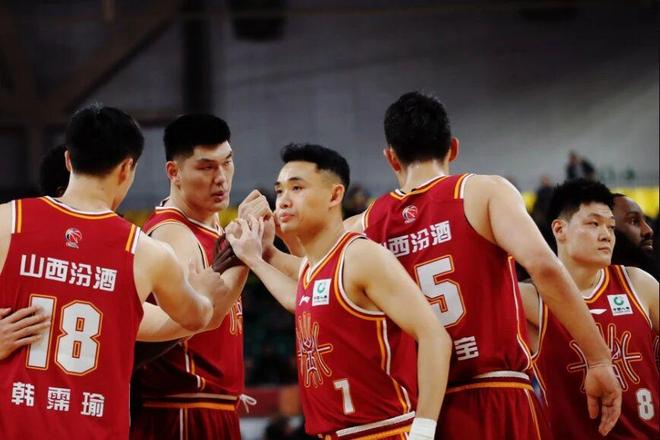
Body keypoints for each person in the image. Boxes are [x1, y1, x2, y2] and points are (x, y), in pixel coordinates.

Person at [336, 92, 621, 438]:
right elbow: (544, 267)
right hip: (497, 393)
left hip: (421, 411)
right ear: (453, 148)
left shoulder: (362, 226)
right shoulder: (482, 192)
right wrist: (599, 359)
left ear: (391, 158)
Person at [0, 104, 229, 439]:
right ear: (126, 168)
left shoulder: (8, 222)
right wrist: (210, 289)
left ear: (68, 160)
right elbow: (196, 319)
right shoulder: (147, 253)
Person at [227, 143, 452, 440]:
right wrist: (261, 254)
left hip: (381, 432)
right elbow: (298, 299)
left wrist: (424, 430)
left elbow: (435, 336)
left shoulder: (361, 256)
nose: (283, 200)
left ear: (334, 195)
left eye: (297, 188)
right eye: (279, 191)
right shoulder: (316, 266)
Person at [130, 113, 254, 439]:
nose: (221, 178)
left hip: (212, 407)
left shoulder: (214, 229)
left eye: (227, 163)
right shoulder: (174, 233)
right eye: (206, 167)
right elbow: (204, 317)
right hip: (183, 408)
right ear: (174, 172)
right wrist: (247, 255)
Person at [520, 179, 659, 438]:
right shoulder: (531, 297)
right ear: (560, 229)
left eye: (611, 226)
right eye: (594, 224)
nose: (606, 235)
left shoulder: (638, 283)